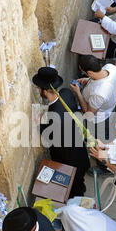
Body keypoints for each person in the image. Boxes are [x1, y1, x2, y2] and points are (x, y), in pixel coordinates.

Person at [33, 67, 90, 197]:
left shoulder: (56, 117)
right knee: (79, 183)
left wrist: (39, 124)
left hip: (69, 161)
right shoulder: (66, 93)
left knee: (73, 192)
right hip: (79, 152)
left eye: (39, 88)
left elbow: (49, 137)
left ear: (45, 91)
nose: (38, 90)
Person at [70, 55, 116, 144]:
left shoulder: (99, 93)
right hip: (110, 106)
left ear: (90, 72)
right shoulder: (112, 68)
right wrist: (88, 79)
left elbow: (88, 114)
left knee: (96, 138)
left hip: (100, 119)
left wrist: (78, 92)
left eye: (83, 71)